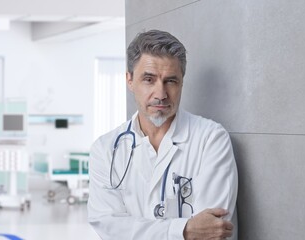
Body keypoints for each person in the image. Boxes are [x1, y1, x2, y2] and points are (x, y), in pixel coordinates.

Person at [87, 29, 238, 240]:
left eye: (171, 81)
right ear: (129, 80)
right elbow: (109, 227)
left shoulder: (211, 139)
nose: (160, 94)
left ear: (182, 82)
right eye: (149, 80)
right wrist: (184, 230)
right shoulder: (105, 149)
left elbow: (214, 231)